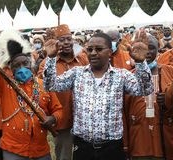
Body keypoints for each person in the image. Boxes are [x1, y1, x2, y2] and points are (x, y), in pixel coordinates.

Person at [43, 30, 153, 160]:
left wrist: (140, 63)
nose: (93, 53)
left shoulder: (121, 75)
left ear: (110, 52)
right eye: (89, 49)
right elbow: (50, 85)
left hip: (112, 148)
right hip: (83, 147)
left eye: (99, 49)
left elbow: (145, 90)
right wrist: (50, 58)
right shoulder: (77, 74)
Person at [0, 17, 63, 160]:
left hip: (40, 149)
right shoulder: (5, 84)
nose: (22, 68)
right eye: (16, 65)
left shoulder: (43, 85)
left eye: (25, 63)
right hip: (13, 149)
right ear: (10, 69)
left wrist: (52, 118)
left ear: (31, 63)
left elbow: (58, 109)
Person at [37, 24, 89, 160]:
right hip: (62, 120)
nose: (66, 42)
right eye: (61, 39)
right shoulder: (46, 63)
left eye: (69, 39)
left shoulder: (83, 59)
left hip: (83, 118)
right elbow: (42, 89)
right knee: (64, 156)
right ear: (55, 42)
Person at [123, 35, 173, 160]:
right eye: (142, 48)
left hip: (166, 139)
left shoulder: (170, 72)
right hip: (138, 140)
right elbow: (122, 111)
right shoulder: (128, 76)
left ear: (158, 49)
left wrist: (168, 100)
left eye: (151, 48)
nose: (147, 52)